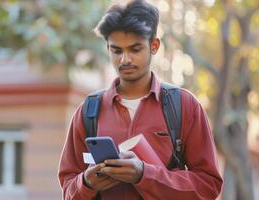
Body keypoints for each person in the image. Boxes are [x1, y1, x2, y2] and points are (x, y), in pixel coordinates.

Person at [57, 1, 223, 199]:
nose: (125, 59)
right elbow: (68, 190)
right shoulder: (88, 110)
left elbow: (209, 186)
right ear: (108, 48)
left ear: (154, 45)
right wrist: (86, 182)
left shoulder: (185, 106)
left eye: (135, 49)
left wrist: (145, 174)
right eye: (116, 50)